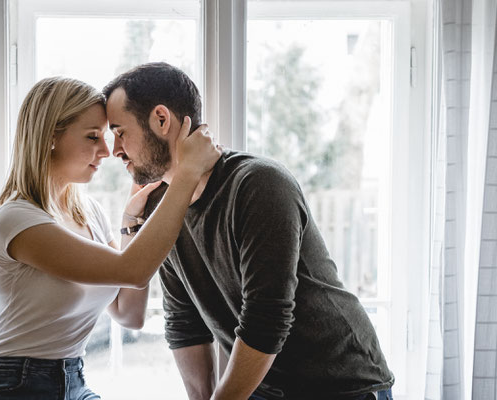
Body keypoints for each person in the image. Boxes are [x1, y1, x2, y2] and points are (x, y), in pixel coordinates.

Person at [103, 62, 395, 400]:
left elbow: (266, 321)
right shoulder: (161, 208)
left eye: (120, 132)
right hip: (263, 388)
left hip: (340, 384)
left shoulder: (259, 184)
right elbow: (184, 322)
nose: (114, 150)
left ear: (161, 120)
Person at [0, 76, 221, 400]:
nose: (106, 150)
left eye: (107, 135)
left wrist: (132, 222)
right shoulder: (16, 220)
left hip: (73, 378)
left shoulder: (90, 214)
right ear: (50, 138)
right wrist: (187, 173)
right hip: (12, 381)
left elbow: (130, 313)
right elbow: (133, 270)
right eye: (92, 136)